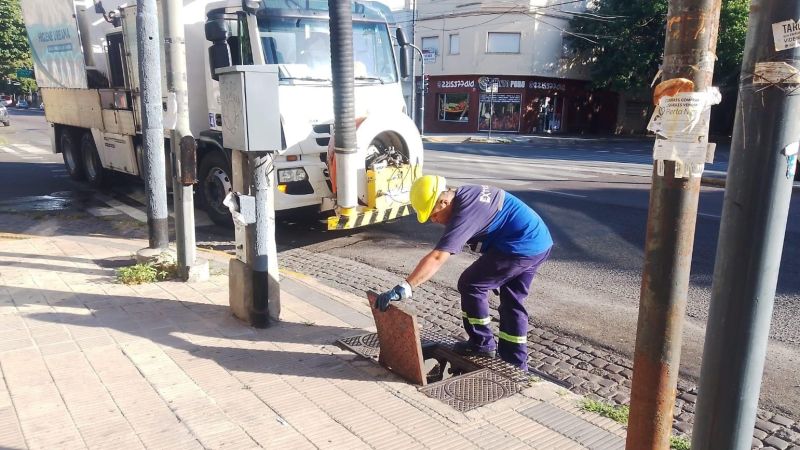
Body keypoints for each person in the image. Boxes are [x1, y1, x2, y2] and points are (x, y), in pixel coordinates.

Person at [374, 175, 553, 371]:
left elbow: (437, 257)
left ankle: (482, 344)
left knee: (471, 284)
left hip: (520, 246)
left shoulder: (465, 212)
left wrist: (405, 286)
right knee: (512, 301)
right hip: (538, 241)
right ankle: (516, 363)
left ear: (443, 201)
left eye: (433, 214)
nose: (433, 220)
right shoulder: (465, 194)